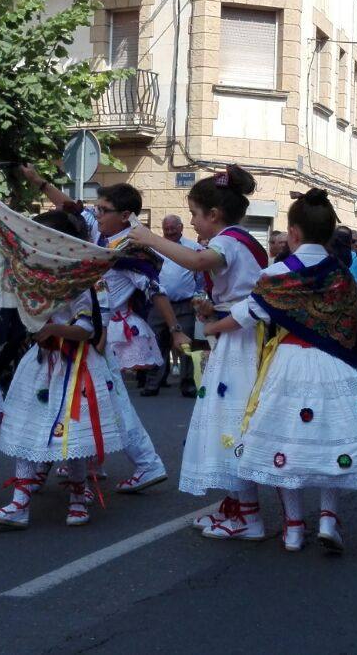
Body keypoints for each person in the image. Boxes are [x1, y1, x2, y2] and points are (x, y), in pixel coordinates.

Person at [204, 189, 357, 553]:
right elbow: (353, 321)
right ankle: (328, 518)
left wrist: (210, 327)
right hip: (336, 363)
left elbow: (249, 314)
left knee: (283, 437)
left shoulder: (277, 273)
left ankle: (292, 527)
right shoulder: (342, 277)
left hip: (289, 362)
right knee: (333, 437)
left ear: (292, 233)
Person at [127, 166, 270, 539]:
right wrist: (212, 308)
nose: (192, 223)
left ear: (214, 215)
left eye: (194, 214)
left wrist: (151, 239)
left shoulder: (231, 240)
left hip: (241, 340)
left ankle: (249, 515)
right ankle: (238, 504)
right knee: (228, 419)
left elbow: (199, 262)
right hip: (235, 335)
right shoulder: (238, 239)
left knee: (233, 420)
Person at [23, 169, 175, 492]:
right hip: (88, 329)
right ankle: (87, 462)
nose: (96, 215)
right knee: (90, 400)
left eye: (102, 210)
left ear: (124, 216)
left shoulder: (131, 248)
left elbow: (154, 291)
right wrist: (39, 181)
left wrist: (175, 329)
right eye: (97, 209)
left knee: (114, 402)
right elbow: (71, 209)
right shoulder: (103, 237)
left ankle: (147, 463)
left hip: (101, 334)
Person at [0, 211, 125, 530]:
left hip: (74, 365)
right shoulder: (40, 274)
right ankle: (19, 503)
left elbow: (87, 328)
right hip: (41, 363)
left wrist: (52, 331)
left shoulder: (81, 278)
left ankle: (77, 497)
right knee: (27, 426)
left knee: (70, 432)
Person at [150, 214, 204, 397]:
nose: (170, 232)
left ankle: (187, 384)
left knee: (186, 346)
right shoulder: (155, 248)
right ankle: (153, 383)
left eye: (173, 228)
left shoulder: (193, 248)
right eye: (167, 229)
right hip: (158, 304)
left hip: (184, 305)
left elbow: (201, 276)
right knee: (156, 344)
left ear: (181, 228)